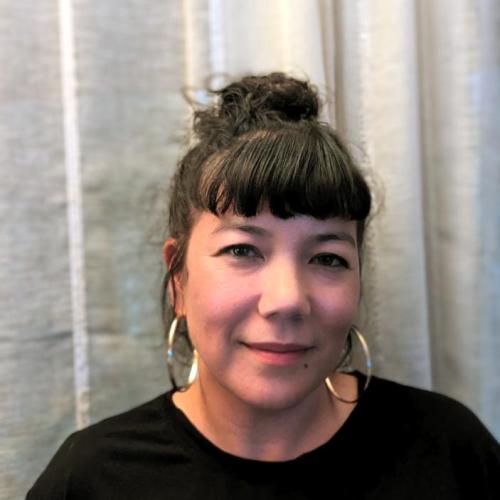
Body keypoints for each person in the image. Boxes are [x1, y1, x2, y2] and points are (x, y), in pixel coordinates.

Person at [27, 72, 500, 499]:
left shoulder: (452, 452)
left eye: (328, 258)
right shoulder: (92, 479)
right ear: (178, 279)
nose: (287, 300)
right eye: (242, 251)